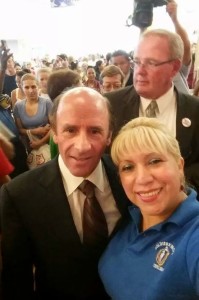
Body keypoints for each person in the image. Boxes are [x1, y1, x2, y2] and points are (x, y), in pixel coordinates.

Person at [0, 87, 130, 299]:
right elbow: (17, 280)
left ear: (109, 136)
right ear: (54, 133)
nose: (82, 146)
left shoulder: (128, 178)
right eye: (70, 130)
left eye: (95, 131)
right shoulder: (19, 195)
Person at [99, 117, 199, 300]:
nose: (142, 178)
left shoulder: (194, 234)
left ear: (179, 166)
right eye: (128, 167)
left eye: (154, 161)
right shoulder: (130, 218)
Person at [105, 28, 199, 197]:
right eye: (137, 62)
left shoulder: (195, 111)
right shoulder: (110, 105)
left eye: (151, 63)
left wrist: (173, 183)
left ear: (175, 67)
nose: (139, 71)